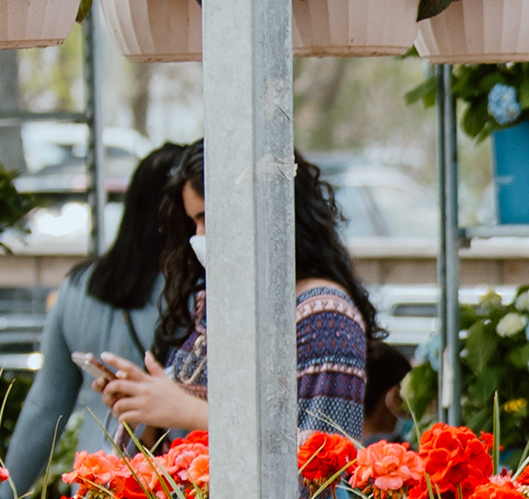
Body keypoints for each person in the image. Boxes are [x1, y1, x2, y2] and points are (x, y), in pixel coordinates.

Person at [89, 151, 386, 442]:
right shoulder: (220, 304)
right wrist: (145, 401)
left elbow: (324, 460)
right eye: (194, 222)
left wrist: (190, 412)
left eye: (208, 218)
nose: (200, 237)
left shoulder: (325, 316)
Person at [2, 143, 189, 499]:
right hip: (174, 496)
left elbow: (45, 406)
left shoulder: (77, 287)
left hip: (95, 493)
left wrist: (5, 496)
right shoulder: (197, 291)